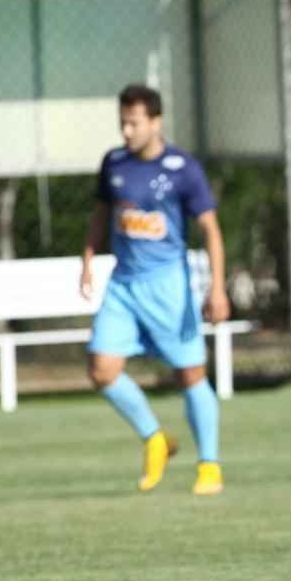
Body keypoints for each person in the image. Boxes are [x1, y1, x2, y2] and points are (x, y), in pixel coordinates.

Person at [80, 84, 231, 496]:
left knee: (190, 375)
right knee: (102, 369)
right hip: (124, 285)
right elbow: (101, 216)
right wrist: (88, 260)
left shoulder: (183, 168)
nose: (127, 131)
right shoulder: (113, 163)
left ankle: (209, 466)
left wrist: (217, 289)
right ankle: (155, 439)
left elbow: (211, 232)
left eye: (135, 123)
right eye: (122, 123)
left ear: (156, 122)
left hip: (169, 288)